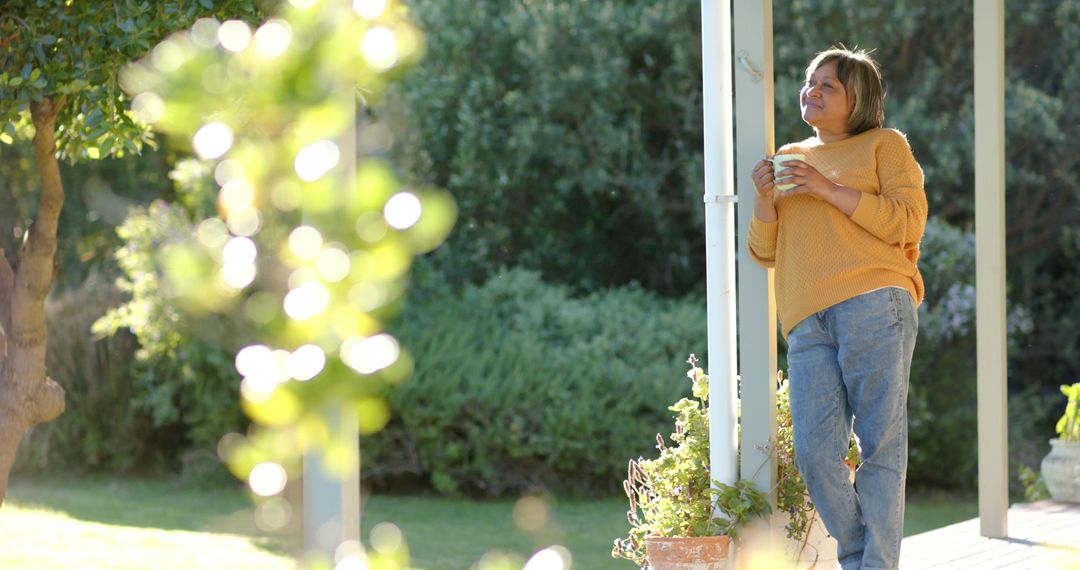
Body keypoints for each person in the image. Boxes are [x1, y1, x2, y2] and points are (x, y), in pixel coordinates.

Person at [747, 46, 927, 570]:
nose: (813, 91)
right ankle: (859, 558)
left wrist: (827, 188)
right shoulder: (790, 156)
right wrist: (763, 201)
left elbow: (907, 222)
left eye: (828, 85)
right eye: (810, 82)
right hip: (806, 320)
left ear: (859, 100)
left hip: (874, 300)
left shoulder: (884, 145)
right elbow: (764, 251)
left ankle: (873, 566)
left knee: (880, 445)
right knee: (815, 454)